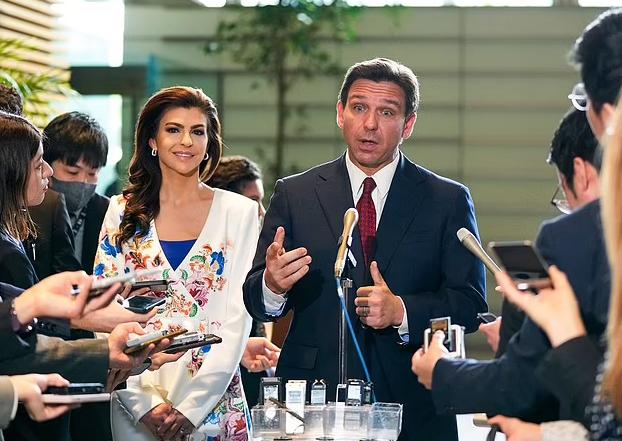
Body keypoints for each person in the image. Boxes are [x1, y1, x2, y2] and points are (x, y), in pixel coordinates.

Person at [243, 58, 487, 441]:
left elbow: (470, 304)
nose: (370, 124)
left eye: (386, 112)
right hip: (311, 401)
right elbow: (256, 302)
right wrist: (271, 286)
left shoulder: (446, 200)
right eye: (359, 108)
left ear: (408, 125)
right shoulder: (296, 193)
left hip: (410, 402)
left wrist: (401, 311)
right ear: (340, 114)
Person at [411, 108, 607, 424]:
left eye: (564, 192)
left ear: (580, 172)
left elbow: (521, 384)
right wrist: (527, 335)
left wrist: (441, 371)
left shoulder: (567, 239)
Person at [94, 86, 258, 440]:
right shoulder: (121, 211)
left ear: (209, 143)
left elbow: (239, 317)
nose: (186, 141)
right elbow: (102, 309)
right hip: (136, 402)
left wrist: (192, 408)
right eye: (173, 129)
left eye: (197, 131)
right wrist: (142, 403)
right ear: (152, 140)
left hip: (215, 402)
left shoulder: (239, 212)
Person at [206, 155, 278, 408]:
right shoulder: (209, 258)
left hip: (251, 371)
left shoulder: (254, 248)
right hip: (209, 380)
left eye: (261, 201)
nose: (261, 212)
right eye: (253, 201)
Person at [40, 111, 112, 273]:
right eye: (72, 172)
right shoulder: (29, 210)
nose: (83, 182)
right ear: (46, 165)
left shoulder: (107, 213)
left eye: (92, 173)